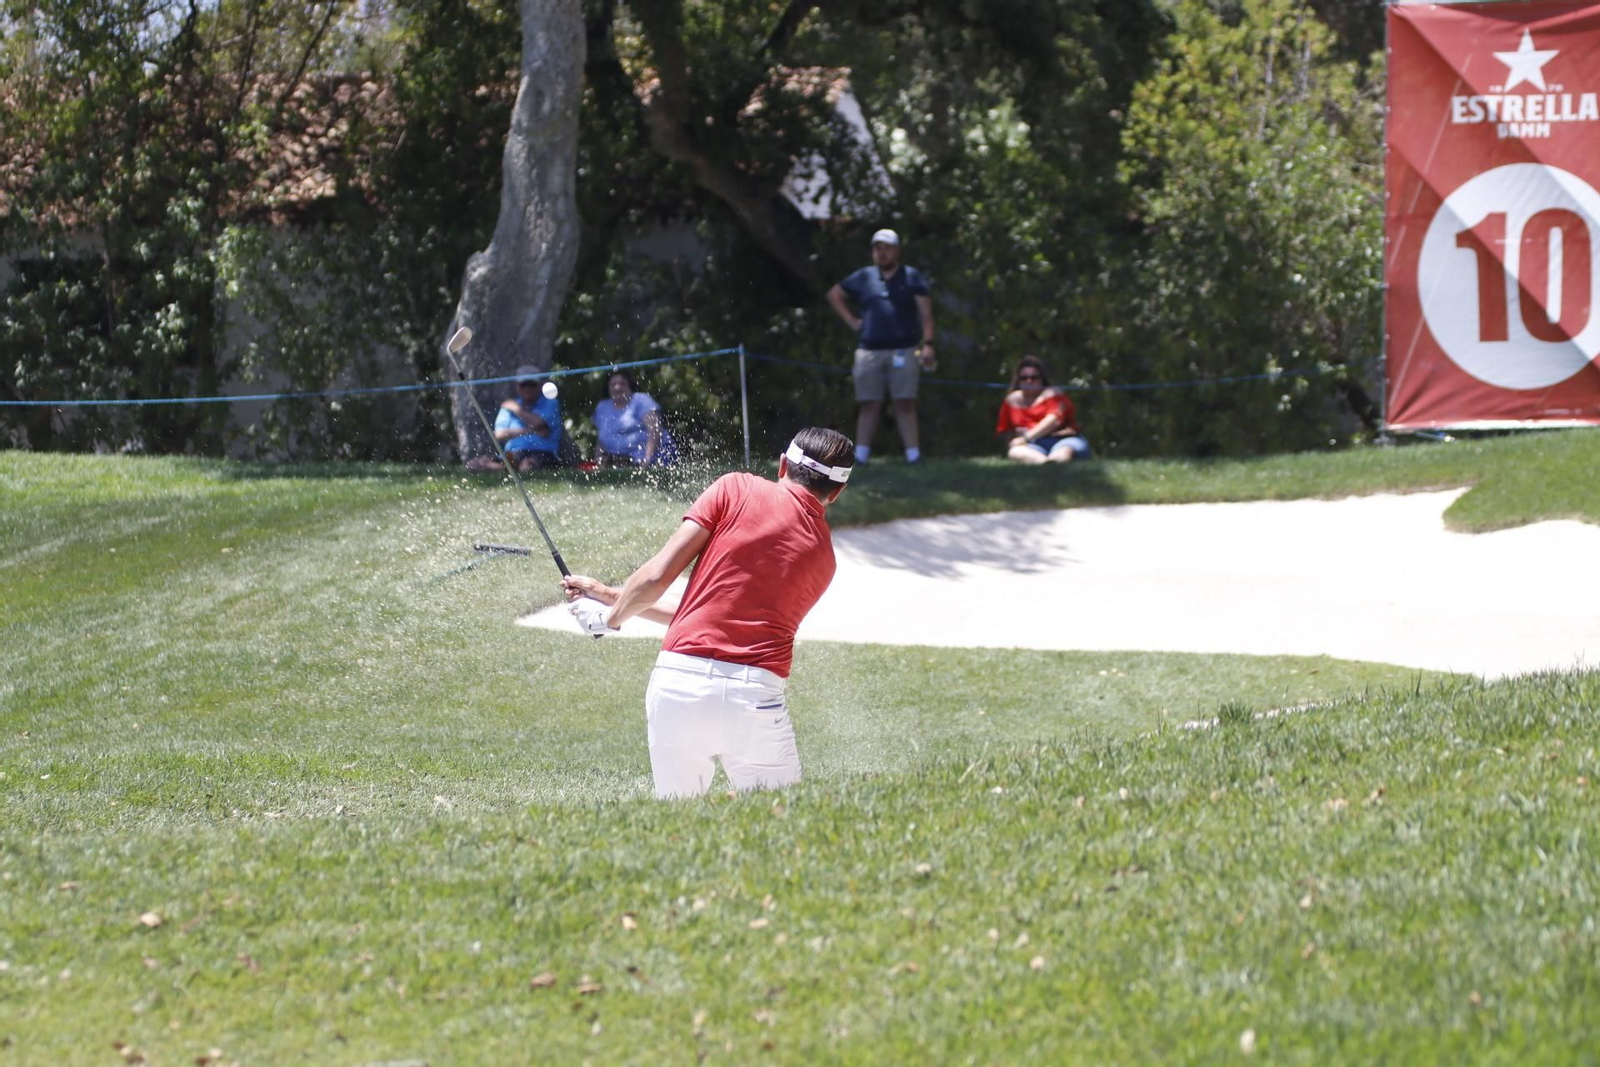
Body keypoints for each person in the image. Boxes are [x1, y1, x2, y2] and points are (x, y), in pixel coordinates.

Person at [561, 427, 856, 799]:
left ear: (783, 465)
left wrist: (609, 618)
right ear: (838, 491)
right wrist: (609, 596)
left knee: (678, 825)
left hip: (678, 688)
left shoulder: (735, 488)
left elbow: (656, 578)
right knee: (780, 826)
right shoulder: (824, 558)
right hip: (756, 700)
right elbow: (707, 614)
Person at [826, 228, 935, 465]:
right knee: (869, 403)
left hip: (904, 349)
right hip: (869, 350)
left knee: (904, 401)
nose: (882, 253)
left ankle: (913, 455)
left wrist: (928, 343)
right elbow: (834, 294)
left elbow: (926, 312)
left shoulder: (912, 277)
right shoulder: (864, 277)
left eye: (886, 248)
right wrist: (853, 322)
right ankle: (861, 457)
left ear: (897, 251)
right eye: (877, 248)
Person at [994, 355, 1092, 465]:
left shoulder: (1053, 394)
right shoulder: (1011, 400)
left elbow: (1053, 421)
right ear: (1018, 380)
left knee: (1063, 452)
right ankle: (1046, 463)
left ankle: (1054, 462)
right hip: (1034, 445)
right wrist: (1013, 442)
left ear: (1041, 379)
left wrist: (1025, 438)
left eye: (1034, 377)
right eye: (1024, 378)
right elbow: (1005, 430)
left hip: (1063, 440)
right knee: (1015, 452)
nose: (1029, 381)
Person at [592, 370, 677, 468]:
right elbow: (601, 439)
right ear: (608, 388)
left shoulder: (642, 400)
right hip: (618, 461)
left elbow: (655, 430)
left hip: (653, 457)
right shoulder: (602, 407)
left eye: (622, 383)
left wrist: (647, 459)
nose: (617, 387)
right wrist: (597, 461)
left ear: (629, 385)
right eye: (613, 384)